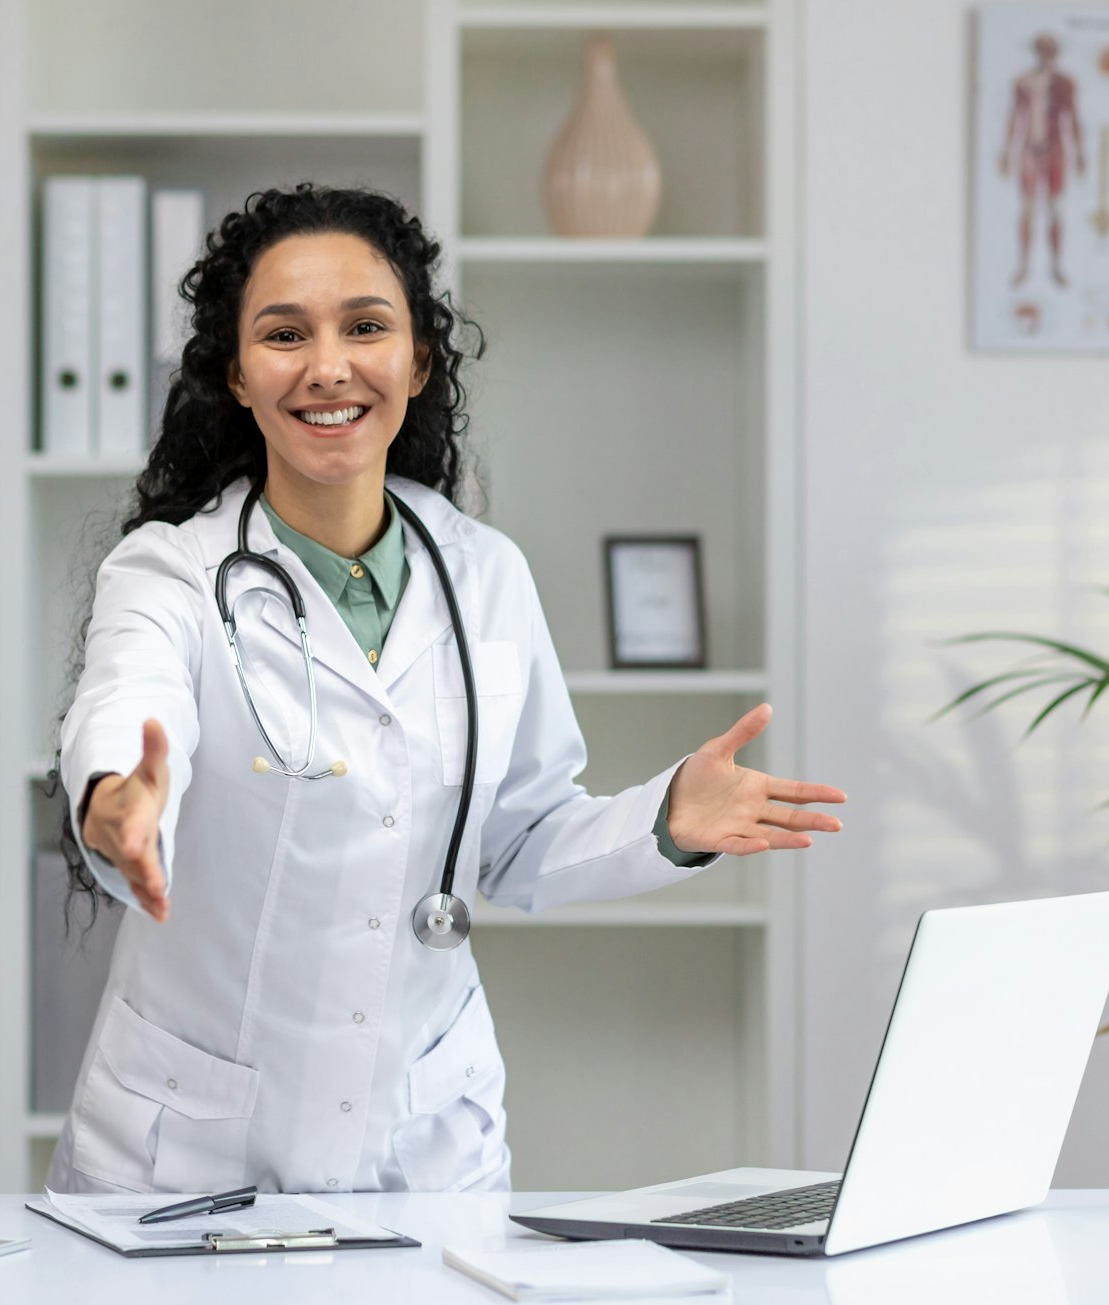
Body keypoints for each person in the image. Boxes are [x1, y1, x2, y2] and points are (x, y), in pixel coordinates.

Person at [47, 184, 846, 1196]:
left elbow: (514, 842)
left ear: (417, 361)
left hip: (421, 1143)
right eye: (284, 333)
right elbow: (128, 698)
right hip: (187, 1153)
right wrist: (117, 796)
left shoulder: (484, 574)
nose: (327, 366)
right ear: (236, 376)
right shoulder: (169, 572)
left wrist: (666, 819)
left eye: (365, 327)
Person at [998, 32, 1085, 289]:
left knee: (1054, 208)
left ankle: (1056, 266)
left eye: (1050, 50)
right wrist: (1006, 152)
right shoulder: (1023, 82)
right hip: (1030, 150)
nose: (1046, 55)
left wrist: (1079, 152)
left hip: (1055, 149)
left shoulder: (1064, 83)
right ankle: (1023, 265)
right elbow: (1015, 117)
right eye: (1042, 50)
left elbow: (1073, 118)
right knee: (1027, 209)